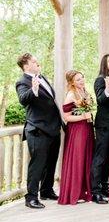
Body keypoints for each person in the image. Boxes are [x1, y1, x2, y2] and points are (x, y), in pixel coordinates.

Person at [15, 53, 62, 209]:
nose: (37, 63)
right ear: (26, 66)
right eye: (34, 62)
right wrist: (33, 90)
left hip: (53, 128)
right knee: (37, 164)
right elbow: (23, 99)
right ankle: (31, 197)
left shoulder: (43, 77)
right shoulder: (22, 82)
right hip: (38, 129)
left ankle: (46, 190)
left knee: (51, 162)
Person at [58, 71, 94, 205]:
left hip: (87, 128)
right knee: (77, 159)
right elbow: (66, 117)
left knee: (86, 158)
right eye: (78, 79)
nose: (82, 81)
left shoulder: (84, 91)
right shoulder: (71, 94)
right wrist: (82, 117)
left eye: (82, 78)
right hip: (77, 130)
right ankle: (74, 192)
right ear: (72, 82)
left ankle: (84, 192)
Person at [91, 53, 109, 204]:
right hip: (104, 124)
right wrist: (107, 90)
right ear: (105, 63)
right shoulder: (100, 79)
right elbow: (100, 100)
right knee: (100, 158)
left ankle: (104, 186)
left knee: (108, 158)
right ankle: (95, 191)